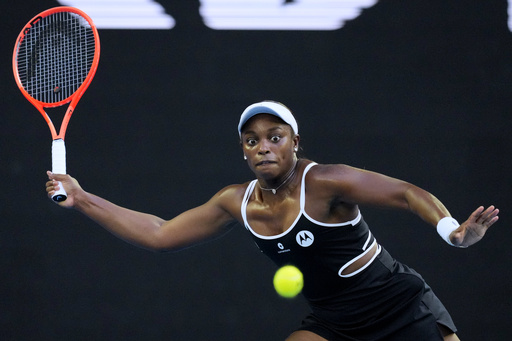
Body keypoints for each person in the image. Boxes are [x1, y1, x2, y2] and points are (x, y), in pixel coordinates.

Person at [46, 100, 498, 341]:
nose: (263, 146)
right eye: (251, 140)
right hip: (335, 322)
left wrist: (452, 231)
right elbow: (160, 234)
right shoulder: (234, 202)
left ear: (294, 142)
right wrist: (83, 199)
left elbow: (406, 193)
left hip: (399, 308)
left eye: (274, 137)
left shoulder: (325, 181)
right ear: (242, 150)